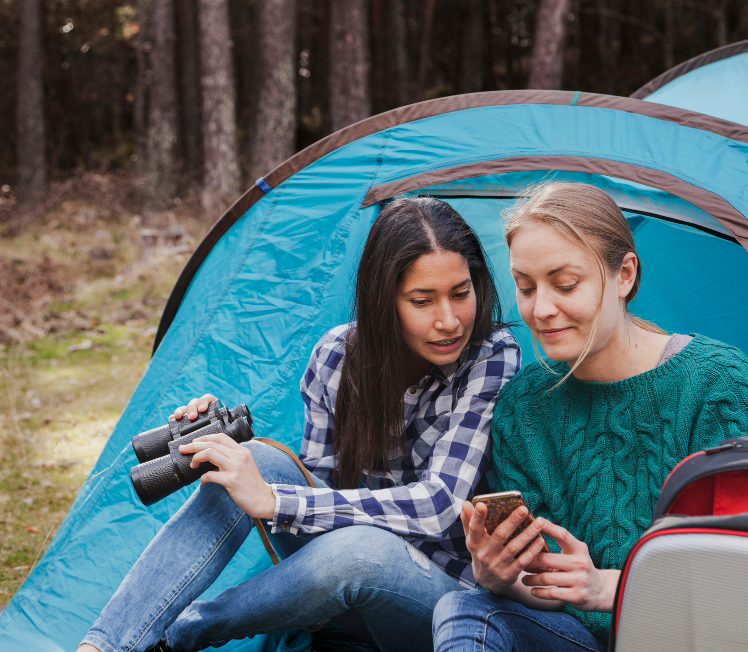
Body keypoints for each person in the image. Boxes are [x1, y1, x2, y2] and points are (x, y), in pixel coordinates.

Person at [77, 197, 520, 652]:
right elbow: (321, 496)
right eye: (422, 301)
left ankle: (180, 636)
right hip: (334, 589)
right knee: (252, 459)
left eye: (461, 293)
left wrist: (275, 501)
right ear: (383, 301)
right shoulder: (336, 357)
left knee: (359, 550)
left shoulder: (491, 356)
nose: (449, 320)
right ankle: (106, 647)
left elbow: (438, 505)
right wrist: (225, 449)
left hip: (434, 602)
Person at [432, 182, 748, 652]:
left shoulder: (715, 383)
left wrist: (611, 586)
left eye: (565, 284)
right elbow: (548, 584)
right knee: (465, 607)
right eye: (526, 288)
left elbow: (741, 573)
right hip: (576, 640)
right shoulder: (525, 405)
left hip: (689, 636)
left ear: (624, 275)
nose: (541, 309)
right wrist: (502, 576)